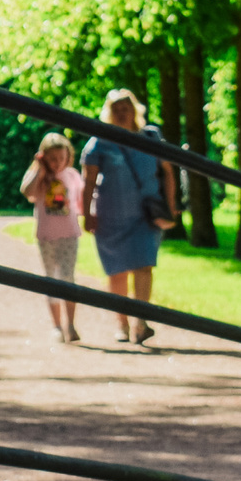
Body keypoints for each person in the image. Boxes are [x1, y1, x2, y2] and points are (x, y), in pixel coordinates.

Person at [80, 89, 181, 344]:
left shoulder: (151, 137)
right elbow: (88, 180)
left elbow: (168, 171)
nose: (122, 112)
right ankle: (121, 324)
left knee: (145, 265)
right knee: (117, 271)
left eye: (126, 107)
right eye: (117, 108)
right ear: (109, 112)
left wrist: (170, 205)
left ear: (135, 109)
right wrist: (87, 213)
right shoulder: (99, 142)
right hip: (110, 216)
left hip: (145, 216)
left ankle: (141, 322)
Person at [21, 133, 86, 342]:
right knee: (51, 279)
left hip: (69, 235)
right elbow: (27, 192)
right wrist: (40, 169)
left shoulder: (72, 175)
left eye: (61, 158)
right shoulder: (38, 176)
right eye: (52, 158)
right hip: (47, 236)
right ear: (43, 157)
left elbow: (82, 201)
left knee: (68, 277)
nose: (57, 163)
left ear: (68, 157)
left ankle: (71, 324)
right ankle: (57, 326)